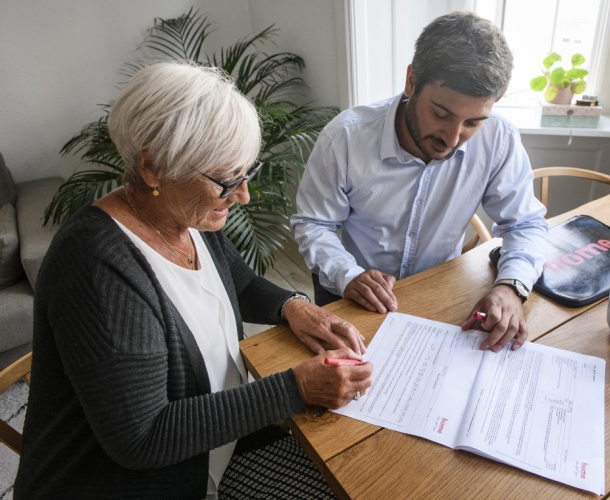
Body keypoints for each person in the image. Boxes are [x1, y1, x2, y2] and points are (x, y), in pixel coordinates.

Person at [14, 62, 372, 500]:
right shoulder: (95, 265)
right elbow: (144, 437)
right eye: (226, 180)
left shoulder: (187, 218)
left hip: (215, 447)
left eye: (246, 174)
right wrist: (296, 388)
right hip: (137, 482)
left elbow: (236, 284)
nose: (242, 195)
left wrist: (294, 307)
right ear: (153, 168)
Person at [291, 11, 548, 353]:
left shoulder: (498, 138)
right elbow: (313, 224)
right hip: (351, 293)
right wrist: (347, 274)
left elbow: (526, 223)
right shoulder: (346, 138)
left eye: (473, 122)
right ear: (411, 81)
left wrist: (511, 286)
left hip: (440, 294)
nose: (454, 138)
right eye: (442, 114)